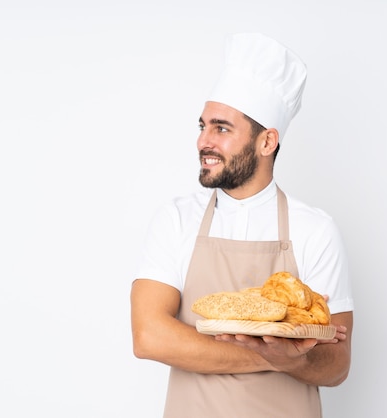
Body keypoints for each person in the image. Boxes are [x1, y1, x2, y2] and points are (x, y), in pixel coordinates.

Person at [130, 32, 354, 418]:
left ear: (267, 142)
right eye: (202, 126)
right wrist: (278, 356)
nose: (203, 141)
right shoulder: (176, 219)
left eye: (221, 128)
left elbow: (336, 365)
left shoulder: (315, 230)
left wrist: (295, 357)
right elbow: (150, 336)